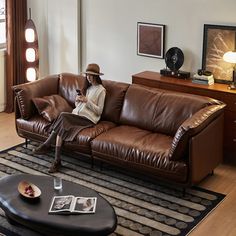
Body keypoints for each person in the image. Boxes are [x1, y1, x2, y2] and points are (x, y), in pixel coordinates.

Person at [33, 63, 106, 173]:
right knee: (62, 126)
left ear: (96, 76)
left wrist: (87, 101)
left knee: (62, 116)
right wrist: (78, 101)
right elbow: (79, 107)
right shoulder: (89, 89)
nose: (88, 77)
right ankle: (57, 161)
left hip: (88, 119)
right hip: (77, 115)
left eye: (90, 75)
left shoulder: (101, 90)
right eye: (87, 75)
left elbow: (99, 111)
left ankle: (46, 145)